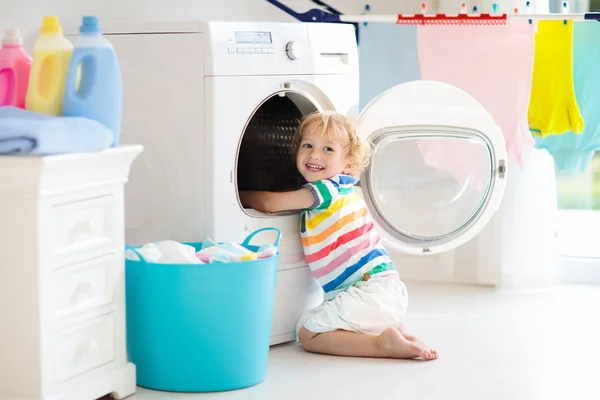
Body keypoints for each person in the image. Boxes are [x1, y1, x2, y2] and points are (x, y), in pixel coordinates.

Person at [240, 111, 438, 360]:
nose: (314, 154)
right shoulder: (345, 190)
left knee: (307, 333)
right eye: (308, 145)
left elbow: (269, 203)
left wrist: (237, 192)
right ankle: (402, 335)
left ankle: (381, 345)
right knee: (336, 319)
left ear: (348, 164)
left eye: (328, 149)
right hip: (388, 291)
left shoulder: (324, 191)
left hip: (368, 293)